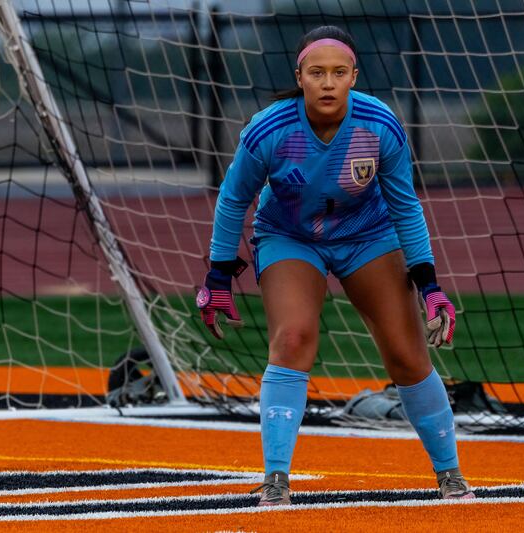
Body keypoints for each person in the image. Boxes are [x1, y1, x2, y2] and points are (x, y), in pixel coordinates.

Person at [195, 25, 473, 506]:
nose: (328, 82)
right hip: (289, 236)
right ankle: (276, 479)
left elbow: (406, 207)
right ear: (299, 76)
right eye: (317, 72)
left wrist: (429, 285)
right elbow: (233, 198)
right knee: (293, 337)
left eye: (339, 73)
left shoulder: (379, 126)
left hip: (367, 235)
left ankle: (450, 474)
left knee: (407, 355)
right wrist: (219, 274)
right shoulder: (268, 129)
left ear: (354, 78)